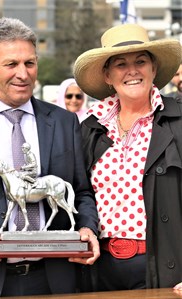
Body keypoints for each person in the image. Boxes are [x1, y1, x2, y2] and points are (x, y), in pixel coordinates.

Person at [0, 17, 99, 299]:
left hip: (53, 280)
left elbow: (81, 191)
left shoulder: (64, 122)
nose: (23, 74)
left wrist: (87, 227)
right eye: (11, 64)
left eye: (29, 63)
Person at [73, 23, 182, 291]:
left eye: (141, 61)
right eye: (121, 64)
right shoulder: (90, 129)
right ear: (107, 75)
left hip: (166, 268)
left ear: (153, 69)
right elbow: (78, 194)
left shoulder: (178, 120)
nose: (132, 71)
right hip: (99, 270)